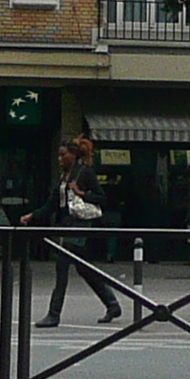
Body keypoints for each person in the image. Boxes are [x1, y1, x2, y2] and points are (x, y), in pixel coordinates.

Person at [36, 138, 126, 328]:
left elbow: (103, 197)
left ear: (74, 155)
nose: (60, 159)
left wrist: (82, 193)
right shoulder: (63, 177)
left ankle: (54, 314)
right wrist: (32, 216)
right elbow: (52, 204)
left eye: (63, 155)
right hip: (66, 225)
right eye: (59, 156)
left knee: (62, 266)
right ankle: (112, 304)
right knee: (84, 268)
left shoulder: (84, 173)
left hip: (80, 225)